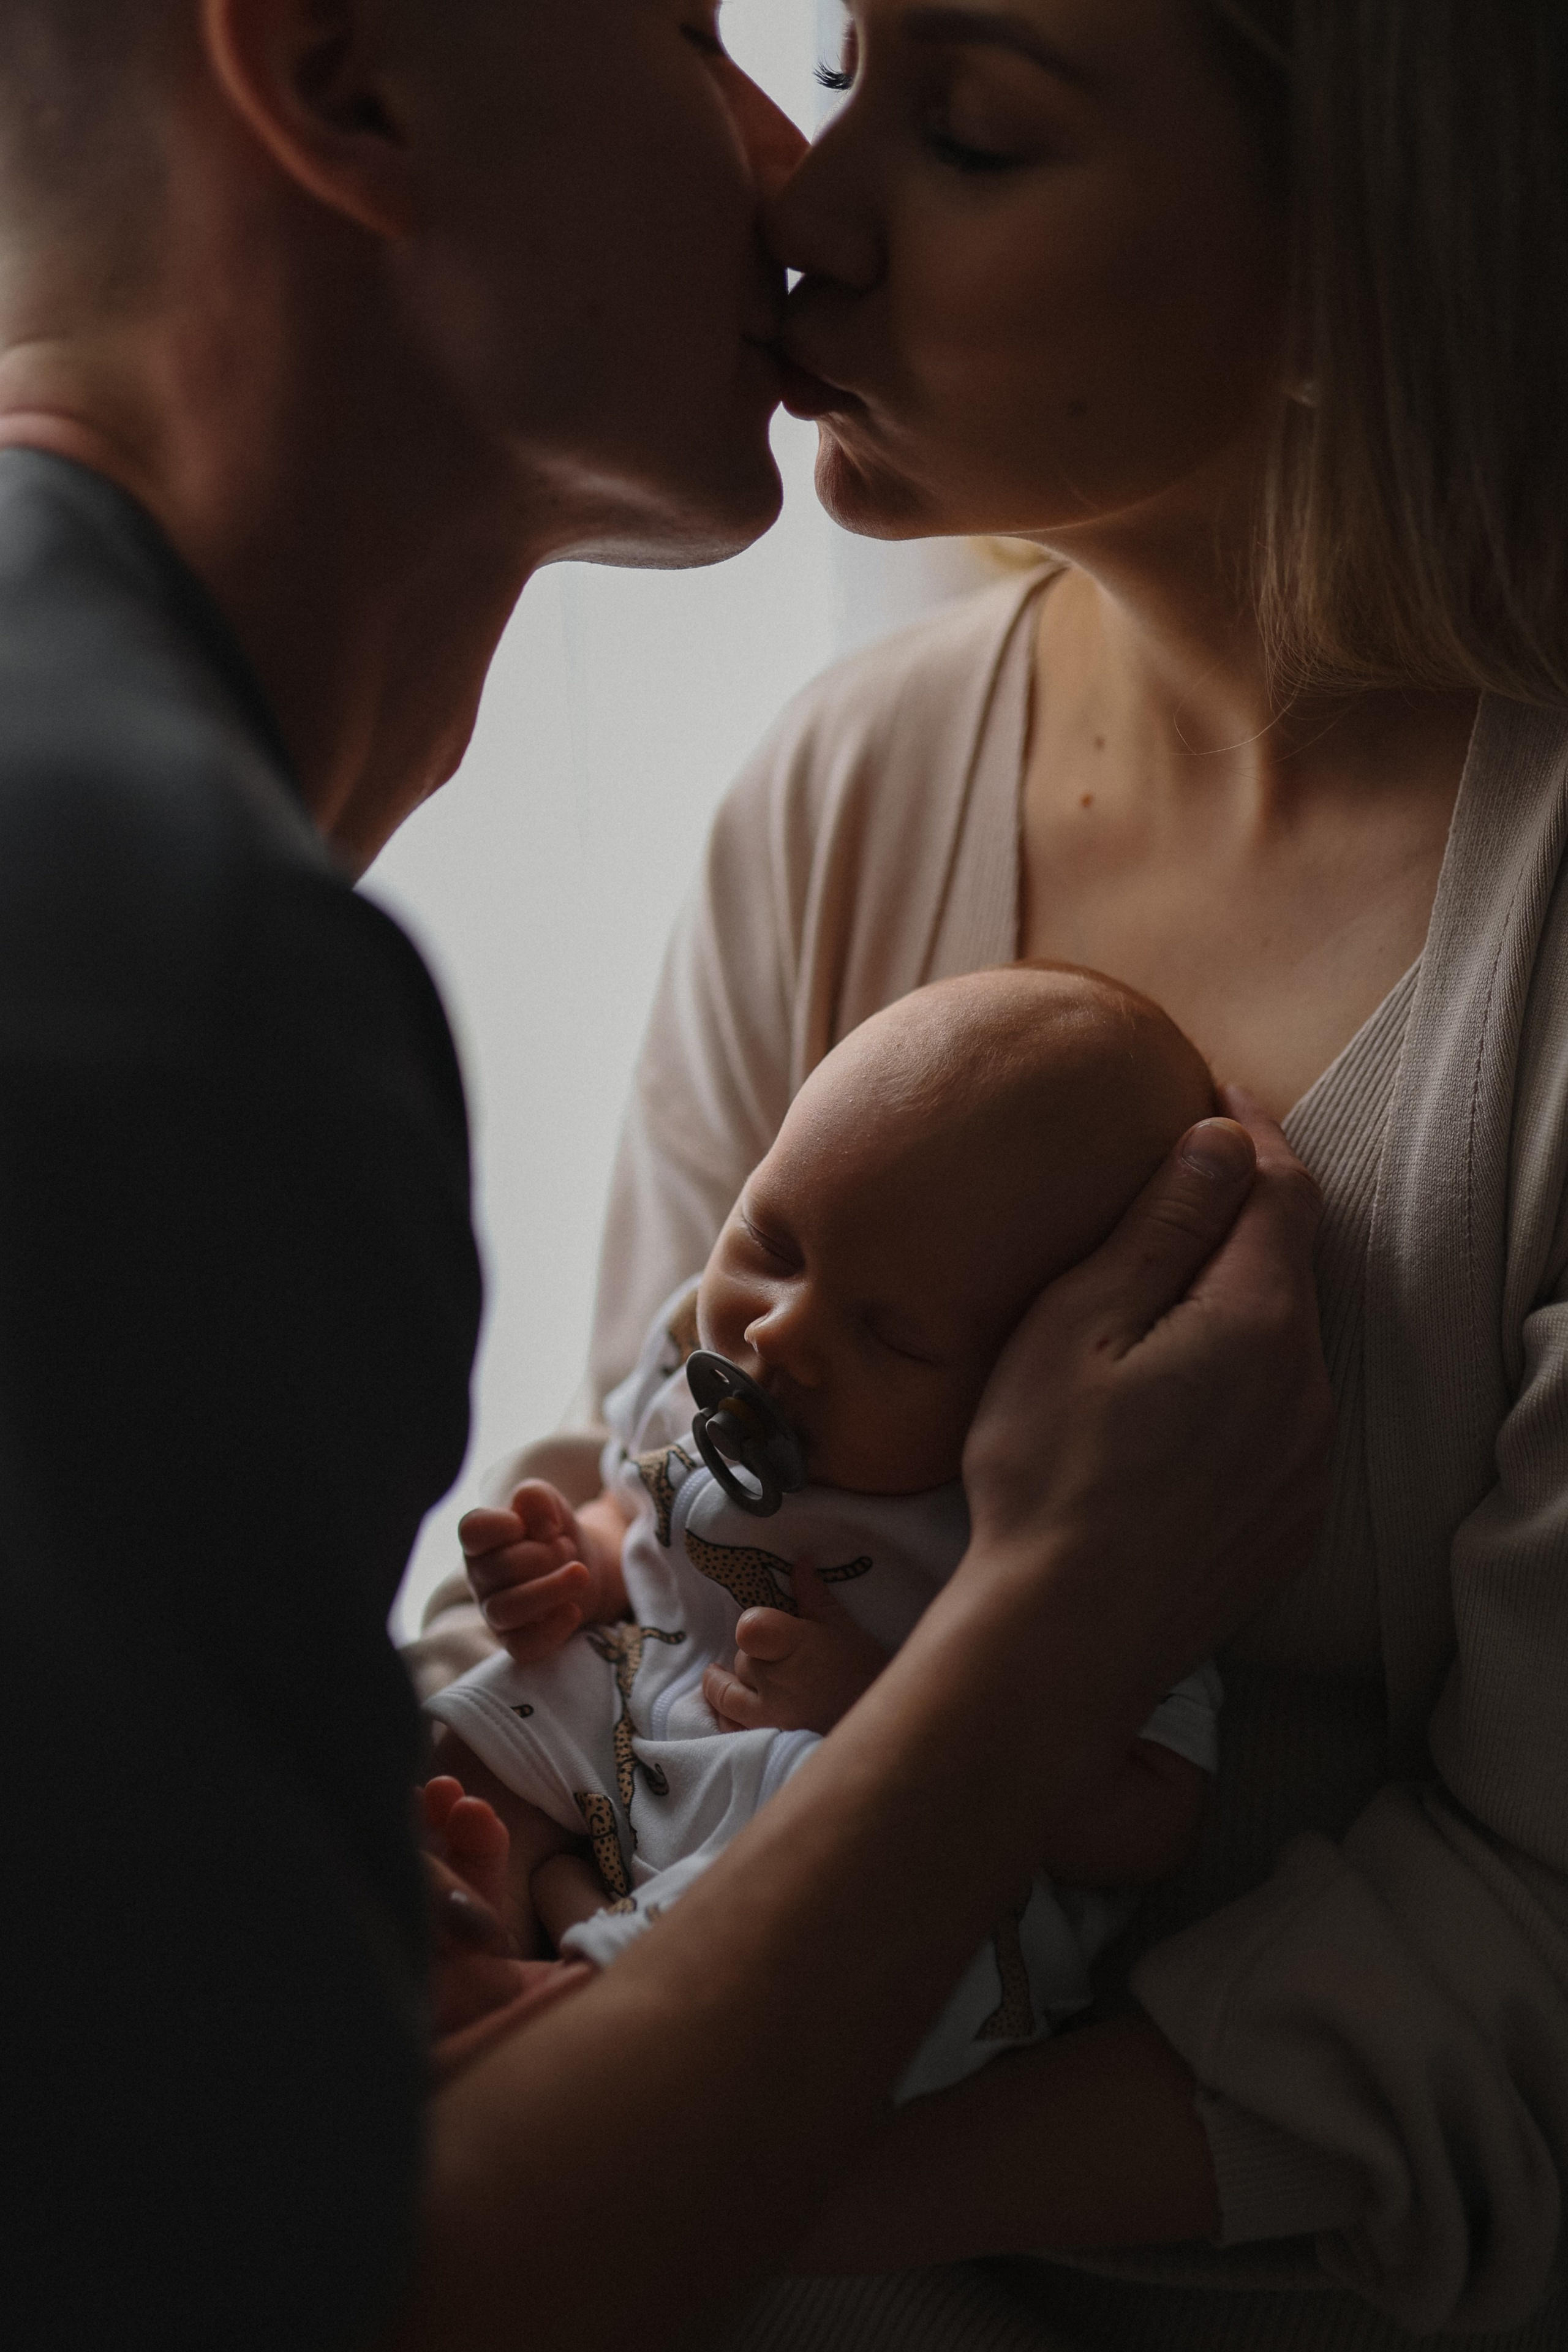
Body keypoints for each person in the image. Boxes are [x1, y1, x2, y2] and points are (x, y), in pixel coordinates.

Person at [0, 7, 1332, 2352]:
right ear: (341, 75)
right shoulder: (153, 972)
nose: (784, 183)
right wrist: (1058, 1622)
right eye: (700, 36)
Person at [476, 0, 1566, 2343]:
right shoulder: (847, 787)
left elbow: (1535, 1950)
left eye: (966, 134)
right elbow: (643, 1518)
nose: (808, 204)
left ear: (1366, 264)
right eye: (853, 70)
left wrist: (652, 2186)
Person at [426, 967, 1224, 2102]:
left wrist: (884, 1709)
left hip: (843, 1841)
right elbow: (638, 1512)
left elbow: (1153, 1815)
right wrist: (576, 1558)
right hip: (650, 1730)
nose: (781, 1330)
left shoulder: (1057, 1510)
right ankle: (472, 1914)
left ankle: (555, 2036)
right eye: (774, 1239)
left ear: (1038, 1377)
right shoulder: (713, 1375)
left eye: (891, 1336)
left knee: (861, 1888)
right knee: (497, 1704)